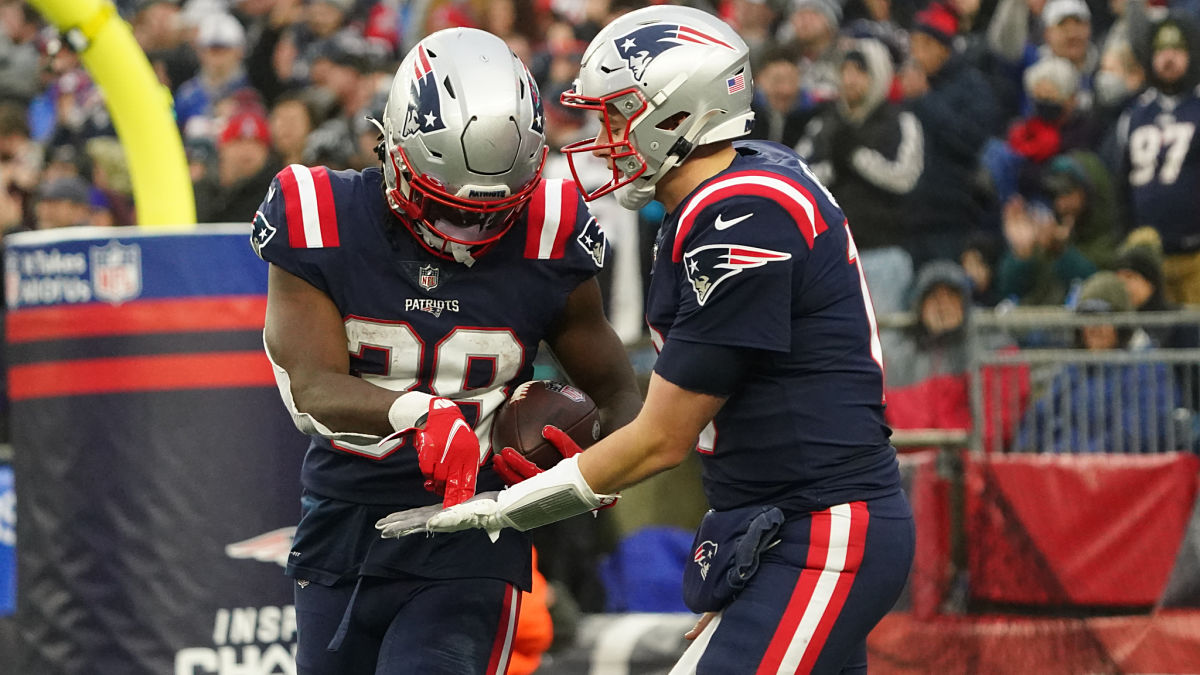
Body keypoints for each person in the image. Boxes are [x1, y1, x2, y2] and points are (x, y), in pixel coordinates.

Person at [378, 7, 914, 674]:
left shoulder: (743, 212)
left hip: (821, 528)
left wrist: (511, 506)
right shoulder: (733, 187)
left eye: (615, 116)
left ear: (675, 114)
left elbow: (665, 434)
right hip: (783, 525)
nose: (603, 139)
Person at [255, 28, 641, 674]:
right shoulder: (319, 214)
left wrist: (595, 469)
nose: (470, 231)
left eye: (496, 215)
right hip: (344, 527)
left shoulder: (551, 228)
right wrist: (417, 412)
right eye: (448, 208)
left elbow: (619, 394)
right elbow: (311, 384)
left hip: (477, 532)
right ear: (394, 152)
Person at [1116, 13, 1200, 305]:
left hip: (1195, 253)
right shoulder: (1135, 112)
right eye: (1162, 51)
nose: (1169, 59)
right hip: (1147, 256)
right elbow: (1121, 184)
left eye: (1177, 50)